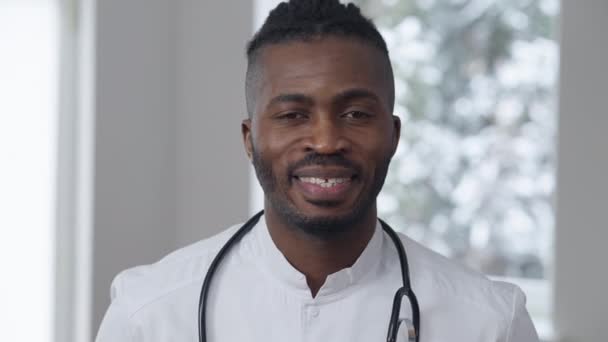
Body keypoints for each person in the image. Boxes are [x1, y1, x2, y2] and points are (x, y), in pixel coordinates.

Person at [96, 1, 539, 341]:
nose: (326, 141)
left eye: (356, 114)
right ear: (249, 138)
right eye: (293, 115)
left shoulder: (490, 323)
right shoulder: (149, 315)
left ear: (393, 134)